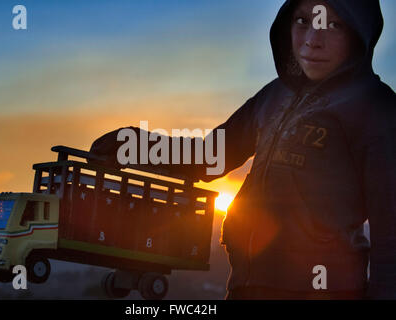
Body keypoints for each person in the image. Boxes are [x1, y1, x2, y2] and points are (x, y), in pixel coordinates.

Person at [88, 0, 395, 299]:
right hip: (246, 285)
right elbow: (212, 154)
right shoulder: (275, 94)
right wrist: (136, 146)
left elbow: (391, 232)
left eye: (333, 23)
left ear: (358, 31)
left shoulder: (376, 108)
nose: (313, 40)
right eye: (303, 20)